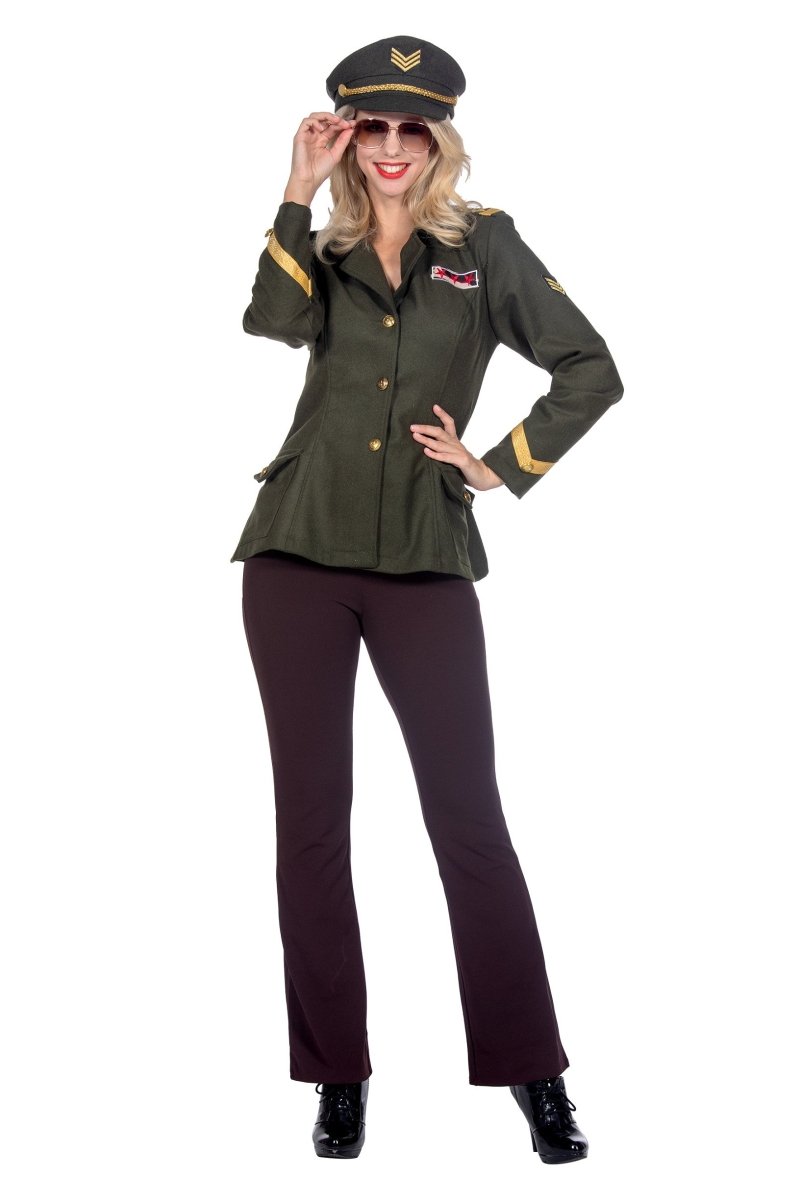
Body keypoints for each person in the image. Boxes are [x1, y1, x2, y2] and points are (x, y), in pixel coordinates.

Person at [230, 35, 624, 1163]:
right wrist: (297, 189)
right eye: (374, 128)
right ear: (349, 134)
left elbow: (590, 367)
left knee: (468, 821)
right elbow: (272, 322)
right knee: (310, 827)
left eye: (414, 129)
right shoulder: (323, 245)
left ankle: (535, 1075)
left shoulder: (482, 244)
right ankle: (337, 1076)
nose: (394, 147)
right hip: (295, 553)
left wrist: (498, 464)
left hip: (424, 554)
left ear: (440, 138)